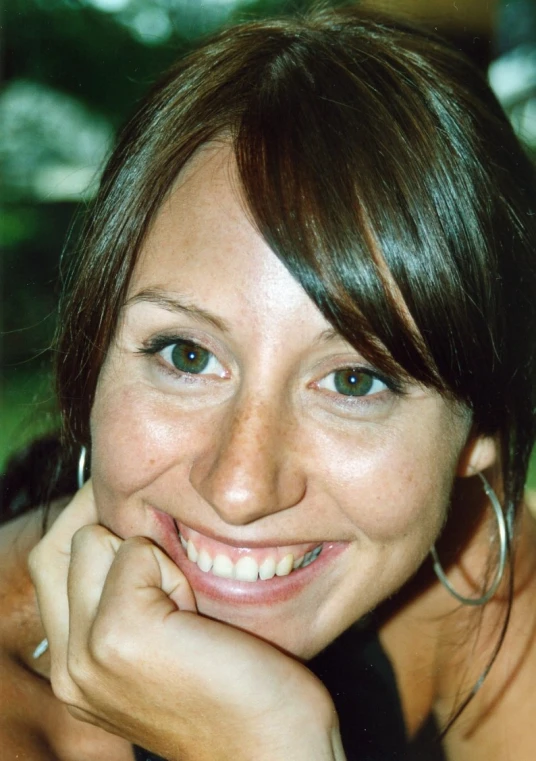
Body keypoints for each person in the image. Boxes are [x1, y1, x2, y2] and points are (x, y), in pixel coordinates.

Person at [1, 7, 535, 760]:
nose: (241, 488)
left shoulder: (483, 584)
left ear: (484, 429)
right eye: (187, 356)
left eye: (354, 380)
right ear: (95, 355)